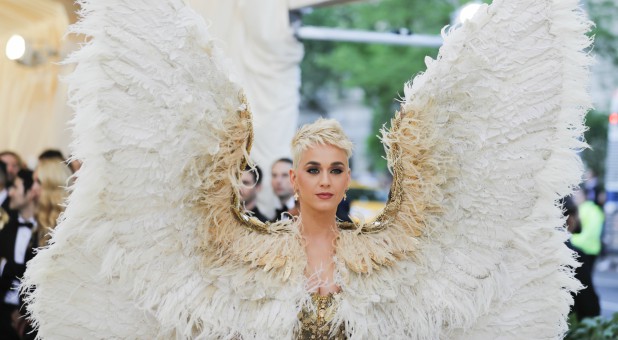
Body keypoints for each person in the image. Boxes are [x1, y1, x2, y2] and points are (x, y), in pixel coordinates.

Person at [0, 169, 40, 339]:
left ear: (31, 193)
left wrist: (23, 313)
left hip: (32, 320)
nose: (10, 192)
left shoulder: (45, 233)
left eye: (15, 187)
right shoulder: (6, 228)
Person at [570, 186, 604, 320]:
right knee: (585, 284)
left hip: (581, 249)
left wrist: (571, 242)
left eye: (577, 195)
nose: (575, 198)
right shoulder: (597, 210)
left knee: (581, 286)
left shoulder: (583, 209)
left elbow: (582, 231)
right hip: (592, 250)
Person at [34, 158, 72, 245]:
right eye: (34, 182)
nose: (33, 188)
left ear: (53, 185)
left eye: (38, 182)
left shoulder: (69, 224)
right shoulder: (40, 218)